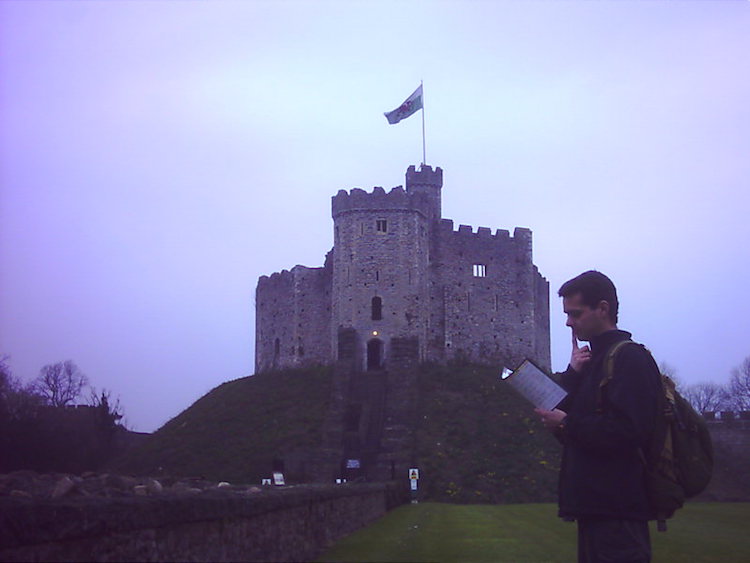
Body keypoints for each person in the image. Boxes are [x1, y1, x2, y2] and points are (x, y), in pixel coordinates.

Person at [535, 270, 661, 563]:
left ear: (602, 309)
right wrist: (572, 376)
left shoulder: (631, 359)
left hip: (618, 511)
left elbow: (628, 432)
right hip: (595, 509)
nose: (568, 322)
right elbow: (571, 429)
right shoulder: (593, 363)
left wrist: (566, 423)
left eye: (575, 313)